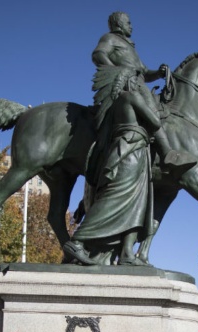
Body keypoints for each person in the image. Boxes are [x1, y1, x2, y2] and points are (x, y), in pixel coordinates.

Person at [64, 73, 159, 266]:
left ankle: (126, 253)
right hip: (131, 151)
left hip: (127, 151)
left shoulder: (113, 106)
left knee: (137, 203)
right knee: (115, 198)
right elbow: (156, 122)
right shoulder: (131, 97)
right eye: (138, 83)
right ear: (130, 83)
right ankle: (78, 241)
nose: (141, 87)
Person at [90, 11, 196, 174]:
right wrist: (119, 72)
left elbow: (145, 72)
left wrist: (159, 73)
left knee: (159, 107)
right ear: (119, 24)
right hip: (129, 84)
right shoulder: (110, 38)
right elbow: (98, 54)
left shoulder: (129, 46)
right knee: (150, 105)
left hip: (137, 81)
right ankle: (166, 153)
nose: (131, 26)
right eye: (128, 23)